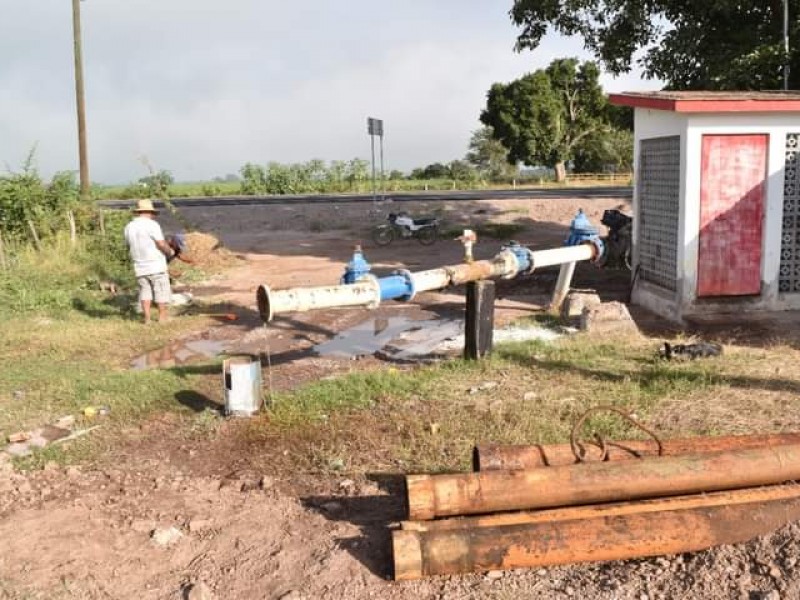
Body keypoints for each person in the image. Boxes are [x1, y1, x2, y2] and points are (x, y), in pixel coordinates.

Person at [124, 199, 176, 324]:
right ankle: (162, 317)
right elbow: (160, 243)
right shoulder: (152, 225)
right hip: (155, 264)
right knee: (161, 290)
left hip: (139, 264)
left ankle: (147, 319)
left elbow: (128, 245)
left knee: (144, 291)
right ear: (149, 212)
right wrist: (169, 252)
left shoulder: (129, 227)